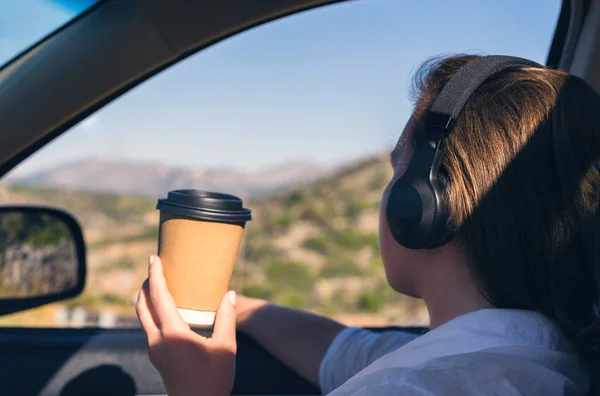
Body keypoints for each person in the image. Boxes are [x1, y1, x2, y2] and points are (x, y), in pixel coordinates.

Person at [136, 54, 600, 395]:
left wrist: (195, 389)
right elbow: (345, 351)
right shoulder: (545, 358)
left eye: (396, 170)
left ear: (422, 204)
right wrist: (234, 307)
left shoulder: (407, 387)